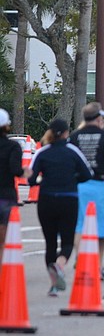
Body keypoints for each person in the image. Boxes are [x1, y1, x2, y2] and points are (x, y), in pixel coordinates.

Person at [29, 119, 92, 296]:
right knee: (67, 241)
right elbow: (88, 174)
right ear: (66, 133)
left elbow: (31, 180)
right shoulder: (73, 151)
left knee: (50, 242)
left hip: (46, 200)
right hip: (68, 199)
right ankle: (60, 265)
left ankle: (53, 283)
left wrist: (43, 180)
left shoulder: (42, 152)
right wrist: (72, 180)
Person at [69, 102, 104, 280]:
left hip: (79, 185)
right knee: (102, 227)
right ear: (99, 118)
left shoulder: (75, 136)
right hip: (100, 185)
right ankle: (97, 266)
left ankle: (79, 258)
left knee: (79, 224)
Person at [0, 109, 25, 262]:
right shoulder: (13, 147)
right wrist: (25, 173)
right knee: (4, 239)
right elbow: (16, 170)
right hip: (6, 196)